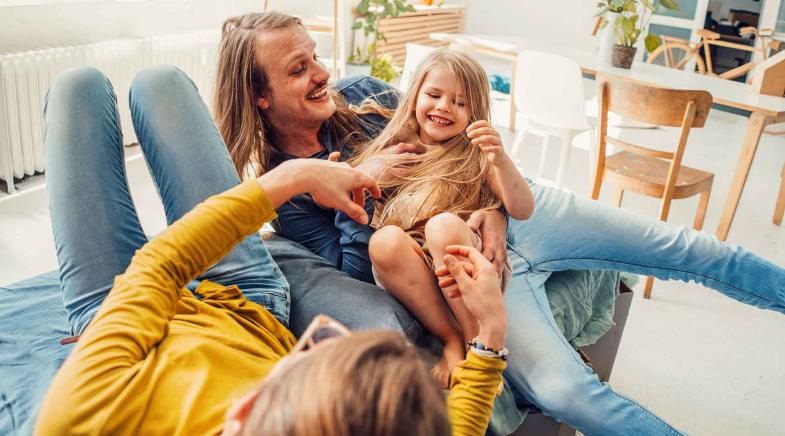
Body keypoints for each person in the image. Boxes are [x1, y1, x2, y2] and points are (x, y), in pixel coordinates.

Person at [214, 11, 785, 435]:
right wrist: (360, 179)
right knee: (568, 392)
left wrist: (492, 208)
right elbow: (359, 269)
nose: (322, 72)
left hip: (517, 214)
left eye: (315, 54)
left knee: (685, 247)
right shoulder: (289, 192)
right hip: (461, 266)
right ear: (259, 96)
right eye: (299, 68)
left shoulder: (363, 93)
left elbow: (460, 133)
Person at [35, 65, 508, 436]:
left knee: (82, 87)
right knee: (151, 85)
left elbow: (160, 265)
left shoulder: (83, 417)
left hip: (110, 308)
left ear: (240, 413)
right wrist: (488, 335)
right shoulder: (375, 109)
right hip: (250, 303)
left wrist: (292, 178)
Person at [350, 49, 533, 387]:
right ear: (415, 95)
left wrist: (501, 159)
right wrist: (352, 172)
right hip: (415, 272)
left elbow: (522, 208)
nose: (444, 107)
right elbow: (355, 194)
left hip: (468, 267)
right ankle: (451, 339)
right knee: (384, 240)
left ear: (476, 113)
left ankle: (474, 338)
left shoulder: (476, 155)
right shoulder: (396, 148)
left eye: (460, 103)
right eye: (434, 95)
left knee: (442, 225)